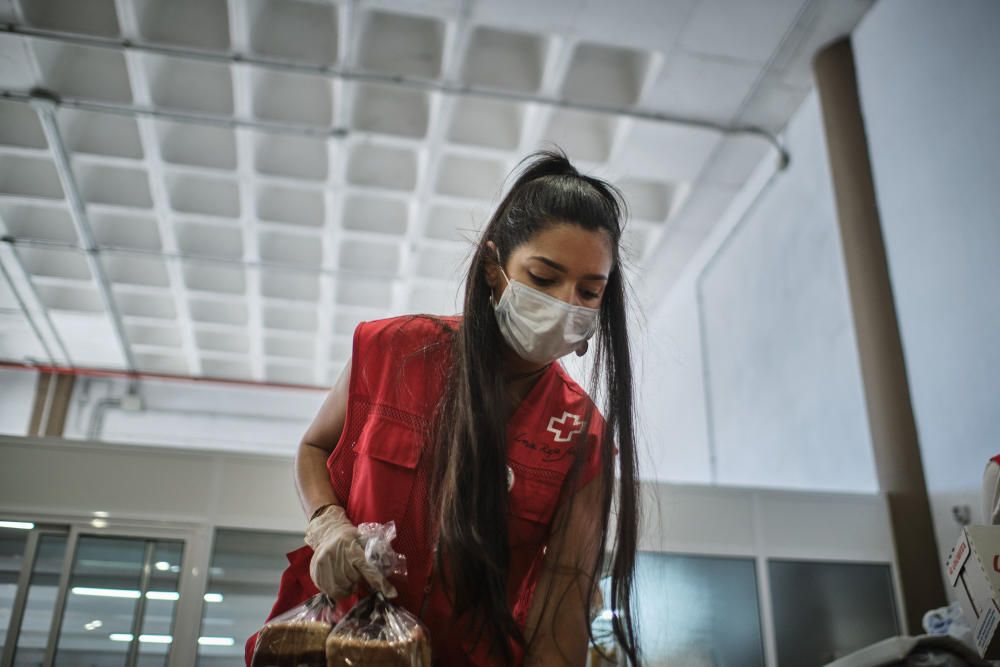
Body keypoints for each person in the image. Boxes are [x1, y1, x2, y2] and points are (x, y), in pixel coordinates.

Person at [245, 150, 641, 666]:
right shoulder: (394, 351)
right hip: (333, 645)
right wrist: (327, 525)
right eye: (544, 279)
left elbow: (561, 608)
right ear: (494, 268)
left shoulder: (581, 436)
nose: (567, 304)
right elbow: (315, 446)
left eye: (590, 292)